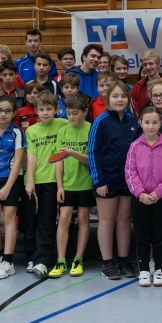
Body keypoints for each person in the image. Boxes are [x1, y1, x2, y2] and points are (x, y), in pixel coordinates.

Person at [88, 81, 140, 280]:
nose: (119, 100)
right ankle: (107, 262)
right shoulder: (100, 121)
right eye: (115, 96)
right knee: (107, 220)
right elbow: (93, 152)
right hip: (107, 180)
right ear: (107, 98)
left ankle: (123, 260)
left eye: (123, 96)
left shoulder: (133, 121)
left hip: (127, 180)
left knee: (125, 219)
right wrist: (99, 181)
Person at [125, 106, 162, 287]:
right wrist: (140, 193)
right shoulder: (135, 146)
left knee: (160, 236)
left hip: (161, 199)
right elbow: (130, 172)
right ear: (140, 123)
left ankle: (159, 270)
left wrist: (159, 193)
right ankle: (145, 270)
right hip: (141, 199)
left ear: (160, 123)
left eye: (155, 122)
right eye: (147, 122)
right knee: (142, 236)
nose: (151, 126)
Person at [24, 91, 69, 278]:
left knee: (47, 222)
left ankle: (43, 261)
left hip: (53, 181)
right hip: (35, 182)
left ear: (56, 109)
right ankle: (32, 257)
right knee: (30, 222)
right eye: (41, 109)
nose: (45, 112)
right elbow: (31, 156)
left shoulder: (63, 124)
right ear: (36, 110)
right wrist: (30, 180)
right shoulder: (31, 131)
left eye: (49, 109)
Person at [0, 95, 27, 280]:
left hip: (11, 180)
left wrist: (9, 186)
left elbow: (18, 161)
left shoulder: (17, 133)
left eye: (7, 111)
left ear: (13, 113)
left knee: (9, 219)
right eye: (0, 110)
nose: (3, 114)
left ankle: (8, 262)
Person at [51, 93, 93, 278]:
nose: (71, 117)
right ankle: (61, 260)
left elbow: (91, 159)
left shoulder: (91, 130)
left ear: (85, 112)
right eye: (69, 113)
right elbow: (58, 160)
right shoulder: (63, 131)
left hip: (85, 183)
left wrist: (72, 153)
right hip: (67, 184)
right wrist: (60, 186)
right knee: (64, 219)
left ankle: (78, 259)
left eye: (75, 113)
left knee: (83, 219)